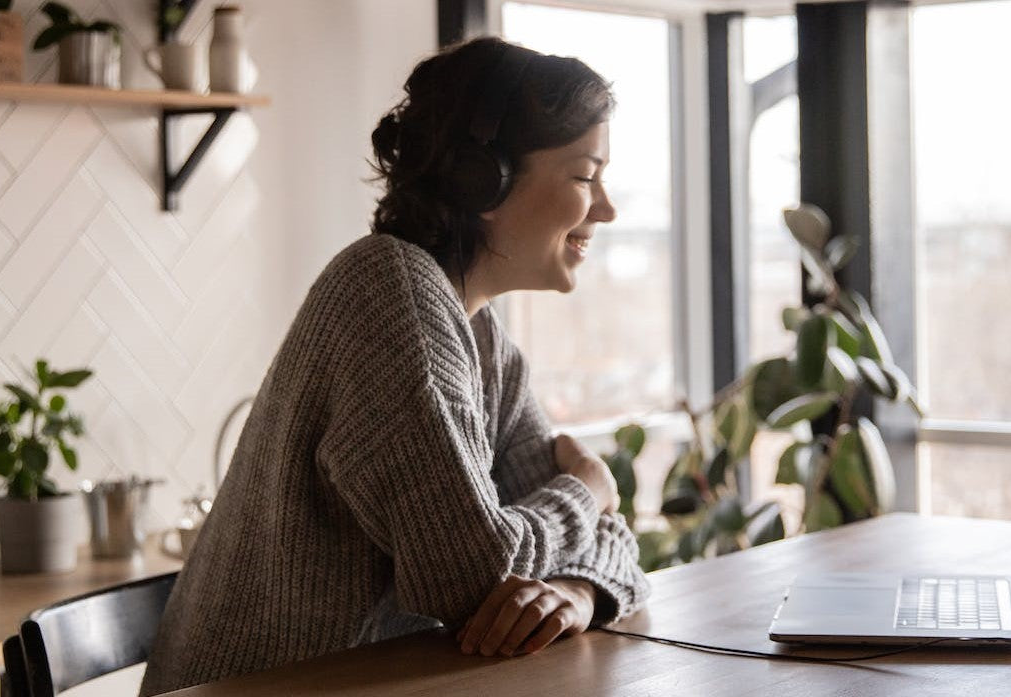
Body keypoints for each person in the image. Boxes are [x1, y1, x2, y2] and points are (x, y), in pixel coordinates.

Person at [138, 36, 650, 695]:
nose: (606, 208)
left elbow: (608, 546)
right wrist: (589, 488)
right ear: (481, 178)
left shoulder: (486, 341)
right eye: (585, 176)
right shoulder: (390, 294)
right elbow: (476, 578)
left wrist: (579, 590)